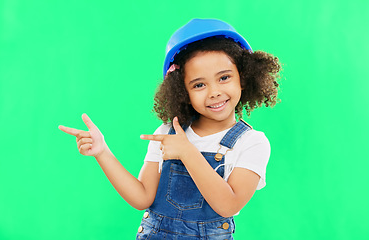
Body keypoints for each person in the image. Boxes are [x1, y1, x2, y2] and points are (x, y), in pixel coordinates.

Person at [59, 18, 281, 239]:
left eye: (224, 78)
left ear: (244, 77)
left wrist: (187, 152)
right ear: (183, 91)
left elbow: (228, 205)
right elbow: (142, 198)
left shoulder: (252, 142)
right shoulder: (167, 133)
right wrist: (102, 152)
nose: (214, 92)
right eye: (199, 85)